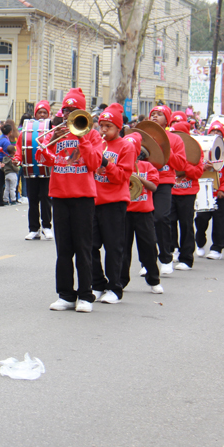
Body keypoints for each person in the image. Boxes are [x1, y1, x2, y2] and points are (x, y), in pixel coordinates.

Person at [38, 88, 104, 313]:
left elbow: (95, 163)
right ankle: (65, 294)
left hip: (83, 197)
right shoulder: (57, 133)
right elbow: (43, 160)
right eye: (65, 110)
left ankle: (86, 295)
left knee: (83, 248)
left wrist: (82, 138)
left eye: (73, 110)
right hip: (59, 196)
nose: (68, 115)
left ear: (82, 113)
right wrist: (52, 140)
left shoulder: (93, 135)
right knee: (63, 249)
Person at [90, 104, 134, 304]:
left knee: (113, 246)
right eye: (102, 126)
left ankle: (115, 287)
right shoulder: (97, 143)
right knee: (90, 245)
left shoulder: (126, 146)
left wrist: (106, 163)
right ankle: (97, 283)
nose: (104, 130)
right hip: (93, 200)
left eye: (109, 126)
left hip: (114, 202)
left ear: (119, 128)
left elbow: (122, 177)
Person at [120, 134, 163, 295]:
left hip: (144, 213)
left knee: (149, 246)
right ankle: (121, 281)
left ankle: (153, 279)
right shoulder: (120, 165)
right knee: (123, 249)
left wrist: (139, 180)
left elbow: (153, 187)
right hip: (125, 212)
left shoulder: (147, 167)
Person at [147, 105, 187, 276]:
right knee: (145, 223)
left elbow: (181, 165)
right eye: (153, 114)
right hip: (145, 181)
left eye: (159, 114)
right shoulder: (143, 137)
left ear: (167, 119)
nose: (155, 116)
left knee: (162, 217)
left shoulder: (175, 139)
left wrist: (165, 150)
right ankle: (148, 261)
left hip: (164, 182)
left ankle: (166, 258)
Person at [168, 115, 204, 270]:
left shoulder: (195, 150)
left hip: (188, 192)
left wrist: (184, 168)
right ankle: (172, 250)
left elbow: (198, 172)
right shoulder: (169, 149)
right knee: (169, 222)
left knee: (186, 224)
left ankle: (187, 257)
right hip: (170, 191)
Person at [14, 101, 53, 240]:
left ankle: (47, 227)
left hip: (47, 170)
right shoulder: (25, 131)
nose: (42, 115)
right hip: (30, 170)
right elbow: (20, 147)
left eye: (44, 112)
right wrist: (17, 158)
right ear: (35, 114)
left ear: (48, 114)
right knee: (33, 200)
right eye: (39, 112)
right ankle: (34, 229)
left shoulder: (52, 130)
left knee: (46, 198)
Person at [195, 121, 224, 260]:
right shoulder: (201, 150)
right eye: (213, 132)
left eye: (219, 133)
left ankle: (217, 248)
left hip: (220, 193)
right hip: (204, 192)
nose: (215, 134)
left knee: (220, 221)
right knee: (201, 220)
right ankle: (199, 243)